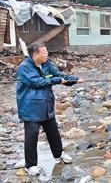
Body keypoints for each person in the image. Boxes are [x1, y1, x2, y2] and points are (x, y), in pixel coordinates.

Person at [16, 43, 83, 176]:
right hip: (31, 108)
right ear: (35, 54)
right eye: (44, 53)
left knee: (53, 132)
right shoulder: (24, 68)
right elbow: (37, 83)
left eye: (46, 52)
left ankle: (59, 155)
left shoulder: (47, 64)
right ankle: (30, 165)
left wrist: (75, 80)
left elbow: (59, 75)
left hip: (46, 105)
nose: (47, 55)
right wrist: (57, 80)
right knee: (31, 136)